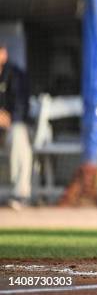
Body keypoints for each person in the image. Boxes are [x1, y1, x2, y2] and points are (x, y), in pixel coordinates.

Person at [0, 43, 32, 210]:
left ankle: (20, 194)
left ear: (3, 53)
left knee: (18, 136)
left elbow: (22, 104)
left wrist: (9, 118)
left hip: (11, 127)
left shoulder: (14, 74)